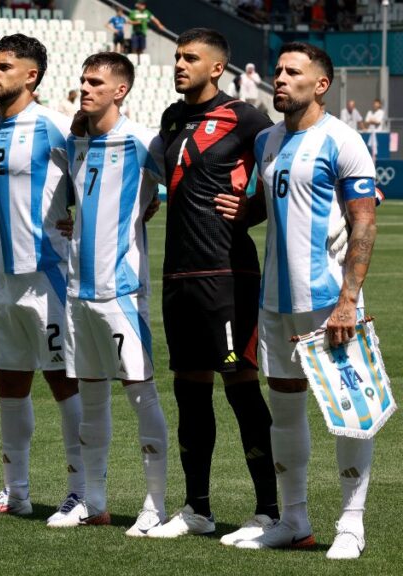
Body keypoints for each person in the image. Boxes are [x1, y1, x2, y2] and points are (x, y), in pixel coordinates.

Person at [216, 42, 379, 561]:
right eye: (277, 70)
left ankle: (351, 524)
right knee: (284, 410)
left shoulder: (343, 140)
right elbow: (269, 205)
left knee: (349, 410)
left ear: (321, 84)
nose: (279, 79)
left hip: (330, 299)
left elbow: (363, 222)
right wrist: (239, 214)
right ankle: (294, 520)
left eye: (292, 72)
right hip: (276, 300)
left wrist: (349, 300)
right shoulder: (267, 139)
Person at [147, 28, 280, 543]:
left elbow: (278, 173)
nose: (180, 64)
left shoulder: (247, 118)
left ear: (217, 67)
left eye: (190, 58)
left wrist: (254, 210)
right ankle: (196, 508)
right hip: (178, 273)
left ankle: (269, 510)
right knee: (189, 391)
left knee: (241, 386)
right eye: (178, 56)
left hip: (227, 274)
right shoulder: (172, 118)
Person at [0, 34, 84, 521]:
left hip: (48, 274)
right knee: (10, 384)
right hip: (6, 278)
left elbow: (100, 177)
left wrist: (79, 220)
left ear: (31, 76)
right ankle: (17, 492)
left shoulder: (53, 125)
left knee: (62, 384)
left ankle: (82, 492)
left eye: (5, 67)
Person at [62, 52, 168, 534]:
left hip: (122, 290)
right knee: (91, 397)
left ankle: (155, 505)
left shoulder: (145, 140)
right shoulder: (75, 140)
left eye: (95, 82)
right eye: (83, 80)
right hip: (77, 292)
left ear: (120, 90)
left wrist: (151, 204)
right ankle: (95, 501)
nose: (85, 88)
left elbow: (183, 187)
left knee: (140, 395)